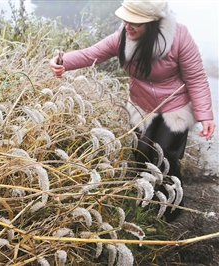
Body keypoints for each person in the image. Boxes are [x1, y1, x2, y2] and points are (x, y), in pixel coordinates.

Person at [49, 0, 215, 180]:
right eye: (126, 19)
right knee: (141, 153)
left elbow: (196, 77)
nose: (127, 26)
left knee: (165, 155)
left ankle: (172, 204)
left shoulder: (179, 37)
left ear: (153, 22)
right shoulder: (122, 37)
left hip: (175, 107)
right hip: (142, 106)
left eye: (135, 22)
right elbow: (91, 54)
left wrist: (205, 115)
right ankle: (147, 201)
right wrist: (62, 61)